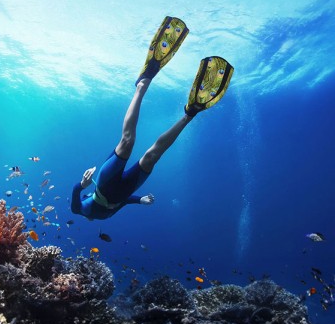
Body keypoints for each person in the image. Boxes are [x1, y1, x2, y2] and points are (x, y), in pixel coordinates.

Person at [72, 17, 233, 220]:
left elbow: (74, 199)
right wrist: (140, 201)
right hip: (124, 192)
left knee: (127, 141)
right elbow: (123, 202)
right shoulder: (107, 214)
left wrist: (81, 186)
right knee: (151, 157)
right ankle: (190, 113)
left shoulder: (81, 210)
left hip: (103, 184)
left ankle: (142, 84)